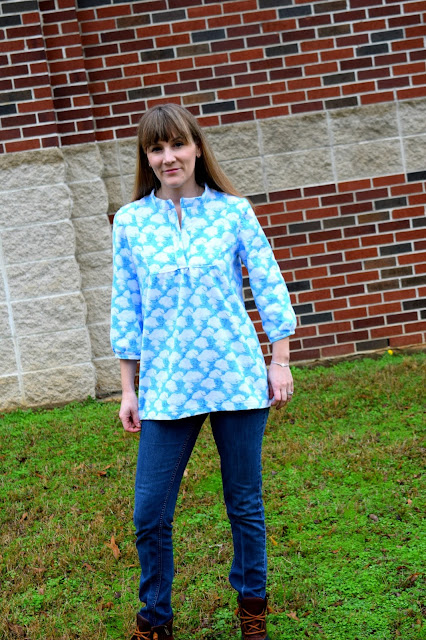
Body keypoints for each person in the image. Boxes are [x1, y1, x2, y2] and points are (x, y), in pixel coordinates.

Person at [110, 103, 297, 640]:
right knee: (149, 513)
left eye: (177, 145)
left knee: (244, 503)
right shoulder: (131, 222)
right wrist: (128, 389)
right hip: (167, 386)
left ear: (196, 148)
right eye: (156, 149)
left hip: (236, 377)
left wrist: (279, 360)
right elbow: (126, 305)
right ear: (147, 158)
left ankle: (252, 610)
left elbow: (268, 284)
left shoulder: (233, 212)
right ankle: (155, 619)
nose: (168, 157)